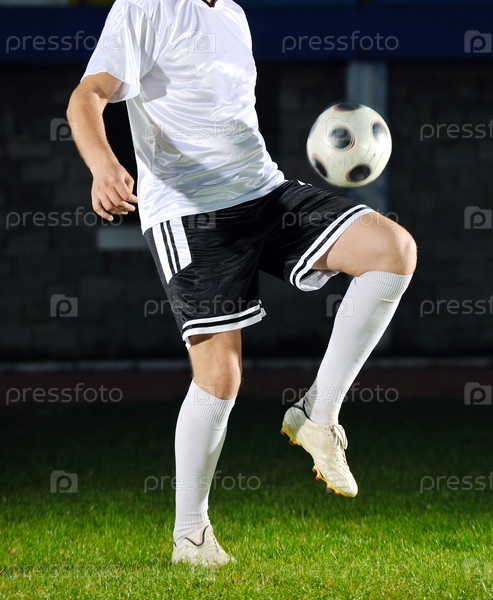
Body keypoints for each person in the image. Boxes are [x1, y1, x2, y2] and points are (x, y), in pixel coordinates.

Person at [67, 0, 417, 567]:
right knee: (220, 377)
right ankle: (191, 536)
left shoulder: (232, 13)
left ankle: (319, 415)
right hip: (189, 211)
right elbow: (87, 96)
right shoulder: (145, 7)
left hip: (262, 191)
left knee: (392, 250)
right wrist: (103, 165)